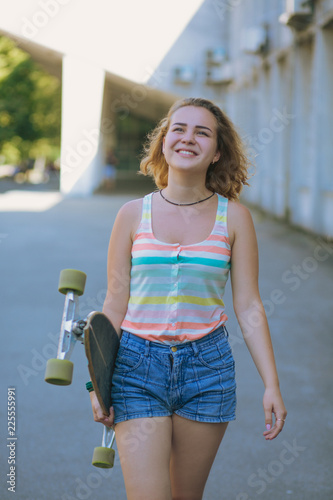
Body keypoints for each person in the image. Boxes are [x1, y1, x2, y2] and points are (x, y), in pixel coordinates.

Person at [89, 97, 287, 500]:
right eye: (178, 128)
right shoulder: (131, 214)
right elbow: (114, 302)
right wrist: (96, 381)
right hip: (135, 369)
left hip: (208, 371)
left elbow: (249, 305)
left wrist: (272, 384)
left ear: (216, 153)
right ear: (164, 142)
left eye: (203, 132)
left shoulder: (234, 218)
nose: (188, 138)